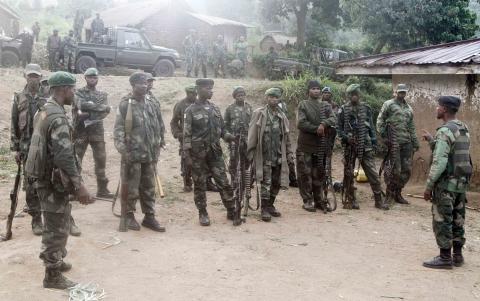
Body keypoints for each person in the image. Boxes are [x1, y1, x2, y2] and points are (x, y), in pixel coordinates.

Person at [24, 71, 93, 289]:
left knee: (59, 219)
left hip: (44, 177)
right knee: (56, 227)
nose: (74, 92)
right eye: (72, 89)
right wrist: (79, 185)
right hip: (52, 181)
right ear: (63, 89)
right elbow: (64, 156)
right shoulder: (58, 117)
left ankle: (56, 261)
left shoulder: (44, 110)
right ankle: (52, 275)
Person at [421, 96, 472, 269]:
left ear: (444, 109)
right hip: (460, 184)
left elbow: (440, 162)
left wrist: (429, 186)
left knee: (442, 219)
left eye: (438, 107)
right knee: (458, 219)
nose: (436, 109)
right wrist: (432, 141)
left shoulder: (444, 131)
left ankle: (444, 258)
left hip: (446, 186)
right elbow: (456, 152)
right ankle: (457, 256)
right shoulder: (463, 128)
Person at [113, 72, 165, 232]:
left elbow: (158, 125)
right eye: (141, 83)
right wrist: (124, 150)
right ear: (133, 85)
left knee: (148, 187)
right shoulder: (125, 104)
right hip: (133, 155)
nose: (144, 85)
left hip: (149, 154)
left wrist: (159, 143)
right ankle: (128, 215)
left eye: (145, 83)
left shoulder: (151, 103)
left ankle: (149, 217)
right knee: (132, 187)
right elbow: (118, 131)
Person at [183, 79, 236, 226]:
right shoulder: (190, 110)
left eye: (212, 88)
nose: (211, 91)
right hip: (197, 154)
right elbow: (186, 135)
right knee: (199, 184)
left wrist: (229, 137)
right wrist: (186, 155)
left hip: (215, 152)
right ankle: (203, 213)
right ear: (198, 90)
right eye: (207, 88)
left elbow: (222, 129)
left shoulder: (215, 109)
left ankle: (231, 209)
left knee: (223, 182)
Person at [10, 64, 48, 235]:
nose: (33, 79)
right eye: (30, 76)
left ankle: (55, 216)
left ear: (41, 77)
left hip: (45, 146)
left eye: (36, 76)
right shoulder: (19, 98)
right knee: (31, 184)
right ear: (25, 76)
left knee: (48, 181)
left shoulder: (48, 97)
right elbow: (14, 124)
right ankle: (36, 219)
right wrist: (15, 149)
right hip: (26, 148)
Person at [337, 84, 389, 210]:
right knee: (349, 175)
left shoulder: (366, 108)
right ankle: (351, 200)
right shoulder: (343, 109)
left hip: (365, 145)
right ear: (348, 95)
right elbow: (338, 128)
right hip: (349, 146)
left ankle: (378, 201)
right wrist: (346, 137)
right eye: (351, 94)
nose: (354, 96)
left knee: (373, 174)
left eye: (356, 93)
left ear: (359, 94)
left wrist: (374, 141)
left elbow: (371, 126)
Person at [247, 88, 294, 222]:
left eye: (276, 97)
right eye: (270, 97)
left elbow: (286, 137)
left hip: (278, 156)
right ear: (266, 98)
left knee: (277, 183)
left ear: (279, 99)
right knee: (265, 183)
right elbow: (252, 135)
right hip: (264, 155)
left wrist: (289, 153)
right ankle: (264, 209)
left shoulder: (282, 116)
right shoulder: (259, 113)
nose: (273, 99)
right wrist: (250, 152)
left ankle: (271, 204)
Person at [72, 68, 113, 198]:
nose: (92, 79)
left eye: (94, 77)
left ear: (98, 79)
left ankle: (102, 189)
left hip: (97, 131)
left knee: (101, 161)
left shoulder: (102, 95)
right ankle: (75, 189)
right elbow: (80, 105)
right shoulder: (78, 92)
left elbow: (106, 111)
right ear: (85, 78)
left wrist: (88, 112)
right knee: (76, 161)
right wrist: (97, 109)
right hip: (80, 131)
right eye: (90, 77)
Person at [296, 80, 336, 212]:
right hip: (305, 145)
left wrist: (323, 124)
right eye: (313, 88)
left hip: (320, 146)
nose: (316, 91)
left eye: (318, 89)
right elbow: (301, 123)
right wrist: (316, 129)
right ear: (308, 91)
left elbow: (333, 118)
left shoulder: (325, 105)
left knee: (319, 173)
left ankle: (319, 200)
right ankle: (307, 201)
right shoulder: (303, 104)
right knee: (305, 174)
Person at [376, 84, 419, 205]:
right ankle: (389, 195)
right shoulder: (388, 104)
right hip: (393, 142)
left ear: (406, 93)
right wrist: (384, 137)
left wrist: (415, 142)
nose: (402, 94)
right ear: (396, 92)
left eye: (404, 92)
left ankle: (398, 193)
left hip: (407, 142)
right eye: (400, 92)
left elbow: (411, 126)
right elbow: (380, 120)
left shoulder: (409, 108)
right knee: (395, 170)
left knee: (407, 170)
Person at [170, 84, 196, 192]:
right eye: (191, 94)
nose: (194, 96)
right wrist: (178, 134)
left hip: (199, 137)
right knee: (186, 160)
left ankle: (205, 182)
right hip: (185, 138)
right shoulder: (180, 105)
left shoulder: (199, 103)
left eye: (195, 94)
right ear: (187, 93)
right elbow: (174, 122)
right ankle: (187, 183)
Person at [224, 86, 252, 182]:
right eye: (238, 95)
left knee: (248, 159)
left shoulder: (249, 108)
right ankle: (234, 181)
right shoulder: (229, 109)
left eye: (243, 95)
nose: (241, 97)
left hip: (247, 138)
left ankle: (246, 181)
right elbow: (225, 125)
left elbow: (253, 123)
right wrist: (228, 136)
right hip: (234, 138)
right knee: (233, 160)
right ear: (234, 96)